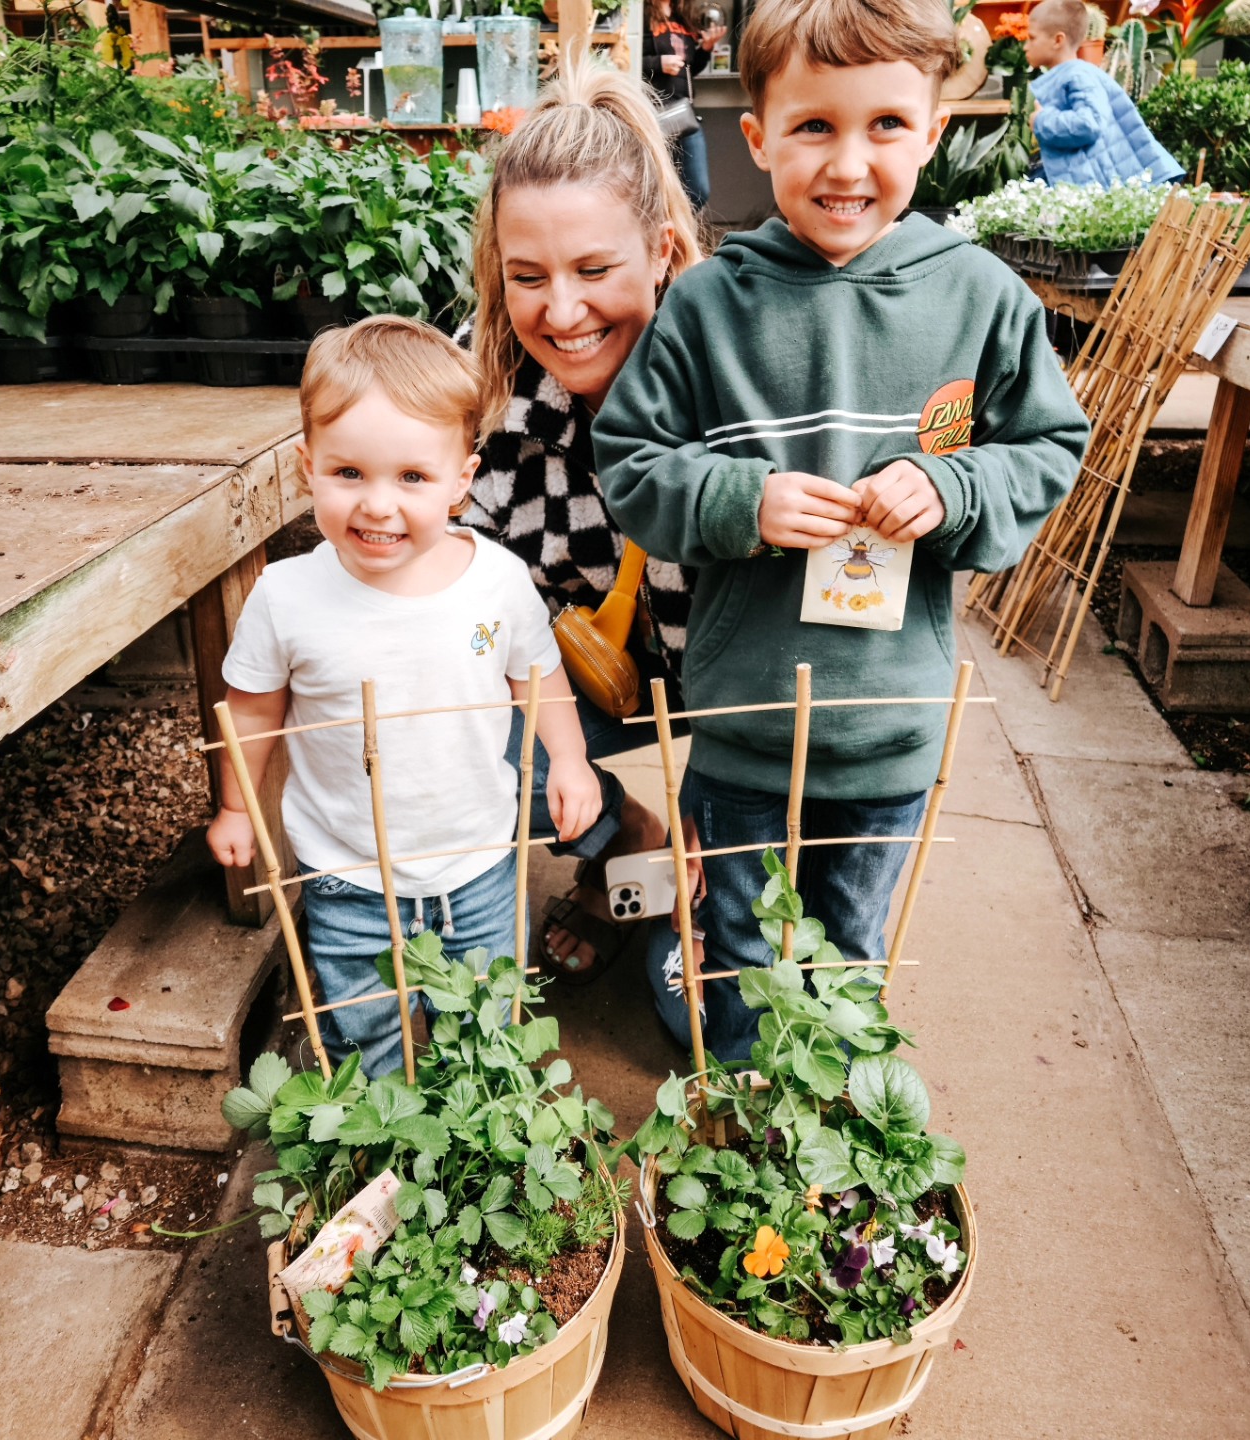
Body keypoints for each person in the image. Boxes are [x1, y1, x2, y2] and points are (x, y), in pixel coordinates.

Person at [594, 0, 1091, 1062]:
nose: (848, 163)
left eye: (886, 127)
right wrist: (740, 502)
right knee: (738, 951)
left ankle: (827, 1152)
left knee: (851, 955)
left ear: (935, 130)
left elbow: (1050, 446)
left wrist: (954, 490)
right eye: (814, 126)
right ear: (757, 133)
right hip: (744, 731)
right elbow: (630, 464)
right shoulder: (708, 307)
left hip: (889, 734)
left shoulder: (981, 299)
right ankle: (733, 1135)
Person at [206, 316, 602, 1077]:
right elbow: (251, 706)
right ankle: (388, 1149)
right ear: (307, 467)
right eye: (348, 473)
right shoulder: (287, 597)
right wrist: (235, 806)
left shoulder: (495, 580)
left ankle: (481, 1146)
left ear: (463, 479)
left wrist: (573, 762)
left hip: (479, 862)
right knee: (365, 1031)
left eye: (412, 478)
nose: (377, 507)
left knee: (488, 1030)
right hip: (347, 873)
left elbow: (535, 672)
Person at [466, 62, 705, 984]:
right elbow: (452, 630)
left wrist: (717, 813)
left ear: (662, 251)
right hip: (578, 696)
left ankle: (698, 847)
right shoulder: (491, 413)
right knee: (435, 710)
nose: (561, 312)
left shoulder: (737, 393)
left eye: (596, 270)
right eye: (529, 276)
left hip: (738, 709)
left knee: (688, 1010)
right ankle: (618, 838)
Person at [1025, 0, 1183, 187]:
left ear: (1058, 40)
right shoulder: (1071, 74)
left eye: (1032, 38)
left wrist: (1042, 121)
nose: (1025, 46)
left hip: (1097, 185)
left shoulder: (1078, 76)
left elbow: (1089, 123)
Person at [643, 0, 728, 212]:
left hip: (684, 113)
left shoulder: (683, 16)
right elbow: (627, 60)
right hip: (653, 115)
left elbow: (690, 68)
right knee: (656, 189)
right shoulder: (641, 14)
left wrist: (706, 48)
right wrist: (658, 63)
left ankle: (679, 232)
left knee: (698, 190)